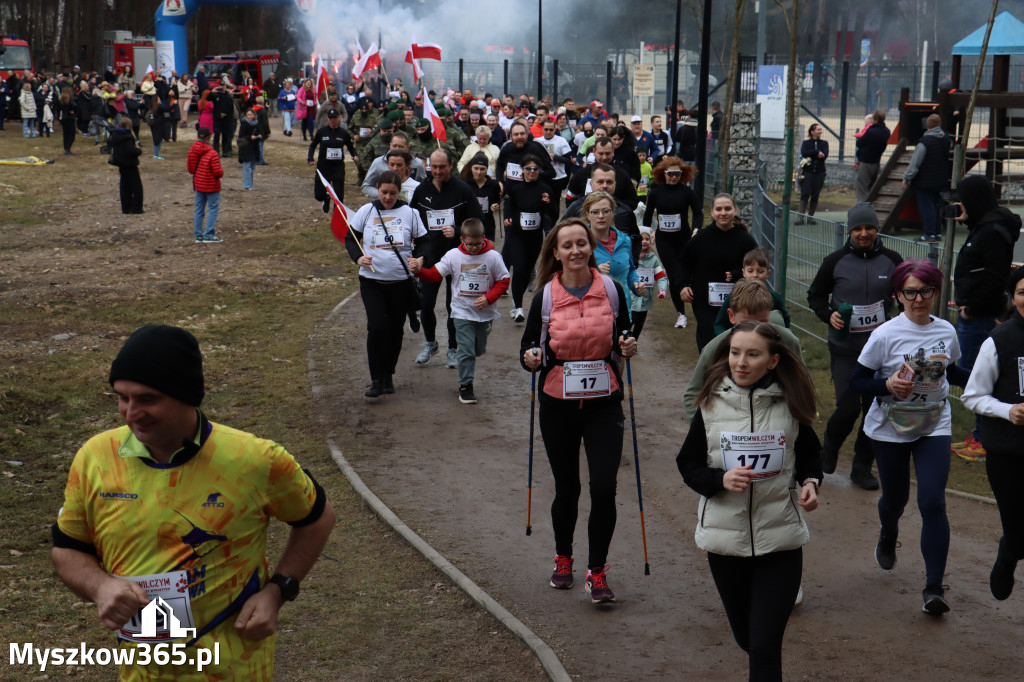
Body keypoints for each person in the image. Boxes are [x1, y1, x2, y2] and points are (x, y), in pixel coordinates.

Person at [51, 325, 336, 680]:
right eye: (122, 397)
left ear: (186, 395)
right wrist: (101, 586)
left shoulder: (255, 460)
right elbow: (67, 549)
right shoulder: (95, 458)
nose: (130, 412)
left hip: (235, 668)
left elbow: (317, 517)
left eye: (148, 399)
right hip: (142, 673)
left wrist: (279, 591)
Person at [677, 320, 822, 681]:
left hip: (781, 540)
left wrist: (811, 482)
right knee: (748, 638)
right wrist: (719, 479)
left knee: (764, 647)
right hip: (726, 543)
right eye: (734, 353)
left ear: (772, 362)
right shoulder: (710, 404)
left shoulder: (792, 403)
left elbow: (810, 455)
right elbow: (688, 464)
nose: (740, 362)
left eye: (752, 354)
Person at [520, 219, 637, 605]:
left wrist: (628, 345)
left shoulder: (612, 290)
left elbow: (623, 336)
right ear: (556, 252)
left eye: (582, 244)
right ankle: (564, 558)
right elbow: (529, 351)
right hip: (558, 404)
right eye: (567, 245)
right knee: (567, 487)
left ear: (592, 247)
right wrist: (532, 359)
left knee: (604, 486)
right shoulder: (546, 298)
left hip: (604, 403)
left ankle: (597, 571)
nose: (575, 251)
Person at [849, 259, 970, 615]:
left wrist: (992, 381)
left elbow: (953, 371)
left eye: (926, 292)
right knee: (896, 499)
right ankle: (888, 533)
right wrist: (886, 385)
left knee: (932, 501)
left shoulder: (946, 331)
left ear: (936, 292)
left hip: (934, 423)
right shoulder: (884, 335)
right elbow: (857, 381)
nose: (918, 299)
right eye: (911, 292)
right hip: (890, 428)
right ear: (898, 294)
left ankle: (934, 587)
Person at [807, 203, 903, 489]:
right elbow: (815, 296)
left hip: (882, 352)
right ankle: (829, 449)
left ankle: (862, 467)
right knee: (847, 407)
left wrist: (900, 319)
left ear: (876, 229)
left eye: (869, 228)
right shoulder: (835, 261)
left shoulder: (892, 260)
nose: (864, 233)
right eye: (858, 228)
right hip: (846, 349)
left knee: (876, 410)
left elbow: (905, 295)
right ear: (850, 230)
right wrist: (830, 315)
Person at [962, 265, 1024, 600]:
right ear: (1013, 298)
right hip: (1007, 452)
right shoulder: (999, 341)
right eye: (1023, 292)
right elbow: (972, 396)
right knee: (1016, 527)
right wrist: (1008, 410)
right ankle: (1007, 557)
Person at [950, 174, 1022, 459]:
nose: (959, 205)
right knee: (973, 372)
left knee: (977, 376)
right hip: (975, 310)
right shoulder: (984, 226)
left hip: (979, 315)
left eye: (963, 201)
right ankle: (978, 434)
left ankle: (983, 438)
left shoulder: (992, 231)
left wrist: (971, 308)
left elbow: (994, 276)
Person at [346, 171, 429, 397]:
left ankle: (388, 375)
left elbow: (424, 242)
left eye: (393, 193)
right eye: (384, 192)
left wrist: (420, 259)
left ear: (399, 192)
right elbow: (350, 237)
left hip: (400, 283)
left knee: (394, 330)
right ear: (377, 189)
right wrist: (358, 257)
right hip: (372, 281)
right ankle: (375, 379)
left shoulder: (410, 213)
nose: (388, 197)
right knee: (376, 327)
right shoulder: (367, 211)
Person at [409, 218, 510, 404]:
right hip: (461, 312)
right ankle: (466, 387)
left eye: (478, 244)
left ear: (483, 238)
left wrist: (489, 298)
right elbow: (433, 275)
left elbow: (504, 280)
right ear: (462, 239)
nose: (474, 248)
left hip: (485, 314)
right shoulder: (453, 255)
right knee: (465, 350)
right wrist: (418, 271)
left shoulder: (493, 257)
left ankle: (469, 363)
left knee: (477, 349)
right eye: (470, 244)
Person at [684, 279, 804, 420]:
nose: (754, 330)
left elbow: (802, 385)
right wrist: (704, 430)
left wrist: (796, 422)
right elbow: (693, 394)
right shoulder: (715, 348)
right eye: (746, 324)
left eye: (762, 322)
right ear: (731, 316)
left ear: (769, 314)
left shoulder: (787, 342)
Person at [409, 149, 484, 368]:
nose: (438, 171)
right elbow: (413, 220)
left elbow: (478, 222)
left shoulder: (463, 190)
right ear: (429, 166)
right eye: (434, 166)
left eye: (443, 166)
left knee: (454, 305)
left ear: (451, 165)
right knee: (427, 303)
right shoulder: (422, 190)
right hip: (430, 256)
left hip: (457, 256)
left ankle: (452, 348)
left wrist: (458, 230)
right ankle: (430, 343)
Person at [681, 193, 759, 351]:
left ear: (735, 211)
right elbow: (683, 263)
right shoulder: (700, 239)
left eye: (727, 208)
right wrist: (683, 285)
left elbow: (756, 268)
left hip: (738, 299)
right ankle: (708, 371)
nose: (723, 213)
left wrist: (738, 273)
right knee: (708, 336)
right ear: (712, 213)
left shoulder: (746, 240)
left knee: (732, 337)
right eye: (719, 209)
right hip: (704, 299)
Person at [641, 157, 700, 329]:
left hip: (684, 238)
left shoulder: (687, 192)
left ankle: (694, 303)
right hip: (664, 240)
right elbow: (647, 214)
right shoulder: (656, 193)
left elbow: (698, 213)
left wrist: (696, 229)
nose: (674, 177)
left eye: (677, 174)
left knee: (686, 273)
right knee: (674, 276)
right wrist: (647, 232)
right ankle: (681, 314)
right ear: (663, 174)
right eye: (670, 174)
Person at [503, 155, 554, 322]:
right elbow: (509, 206)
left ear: (539, 171)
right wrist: (508, 218)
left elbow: (553, 215)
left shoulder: (545, 189)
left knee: (526, 271)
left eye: (535, 169)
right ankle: (518, 307)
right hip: (517, 235)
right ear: (522, 170)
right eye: (528, 169)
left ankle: (518, 298)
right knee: (518, 269)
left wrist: (547, 203)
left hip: (534, 237)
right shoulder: (516, 189)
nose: (532, 172)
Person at [583, 191, 641, 316]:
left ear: (612, 212)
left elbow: (630, 270)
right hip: (592, 314)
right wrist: (594, 271)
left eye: (606, 211)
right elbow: (568, 276)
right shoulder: (580, 242)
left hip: (622, 311)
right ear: (588, 215)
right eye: (595, 212)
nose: (600, 216)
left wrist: (636, 285)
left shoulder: (625, 240)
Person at [713, 247, 790, 335]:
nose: (755, 275)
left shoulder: (775, 298)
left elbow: (785, 319)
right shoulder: (734, 297)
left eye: (760, 271)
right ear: (743, 272)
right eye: (750, 271)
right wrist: (726, 339)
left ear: (768, 273)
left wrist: (781, 336)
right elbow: (719, 324)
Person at [902, 114, 951, 242]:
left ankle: (929, 233)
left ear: (927, 126)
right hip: (940, 179)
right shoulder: (946, 139)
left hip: (925, 181)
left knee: (926, 207)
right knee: (936, 206)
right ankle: (937, 232)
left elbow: (915, 163)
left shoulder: (924, 142)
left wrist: (907, 177)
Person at [308, 108, 358, 209]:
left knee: (339, 198)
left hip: (337, 168)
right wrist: (310, 158)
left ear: (339, 118)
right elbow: (313, 145)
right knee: (318, 195)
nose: (333, 121)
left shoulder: (343, 133)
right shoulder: (322, 132)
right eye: (331, 118)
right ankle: (326, 198)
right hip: (323, 167)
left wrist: (355, 155)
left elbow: (351, 148)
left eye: (335, 118)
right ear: (328, 119)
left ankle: (337, 220)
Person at [362, 131, 427, 199]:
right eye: (394, 146)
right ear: (390, 145)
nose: (397, 149)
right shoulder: (378, 163)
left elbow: (424, 185)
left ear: (408, 147)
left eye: (401, 146)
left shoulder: (417, 163)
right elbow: (366, 187)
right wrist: (384, 195)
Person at [187, 127, 225, 243]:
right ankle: (208, 234)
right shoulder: (212, 153)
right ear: (209, 137)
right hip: (212, 185)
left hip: (199, 184)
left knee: (199, 209)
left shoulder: (192, 151)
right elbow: (218, 172)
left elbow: (191, 169)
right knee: (213, 208)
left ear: (198, 136)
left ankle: (198, 235)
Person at [495, 121, 555, 194]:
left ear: (527, 134)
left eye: (522, 134)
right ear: (511, 136)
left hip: (531, 194)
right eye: (516, 134)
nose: (519, 137)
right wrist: (499, 181)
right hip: (511, 194)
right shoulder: (506, 149)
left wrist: (533, 174)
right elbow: (499, 165)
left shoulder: (536, 149)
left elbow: (551, 172)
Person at [630, 229, 668, 339]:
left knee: (639, 323)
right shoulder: (629, 257)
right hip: (630, 297)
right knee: (629, 321)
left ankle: (634, 341)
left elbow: (661, 277)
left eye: (647, 239)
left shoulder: (653, 259)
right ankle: (623, 341)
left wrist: (662, 290)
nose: (644, 241)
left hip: (645, 298)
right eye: (641, 238)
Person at [461, 154, 501, 241]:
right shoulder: (464, 184)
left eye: (482, 169)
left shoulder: (493, 185)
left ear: (487, 169)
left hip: (487, 225)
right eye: (476, 168)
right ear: (471, 168)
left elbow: (496, 199)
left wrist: (495, 205)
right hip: (469, 226)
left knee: (488, 252)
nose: (479, 172)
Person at [109, 118, 143, 214]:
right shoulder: (128, 137)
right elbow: (131, 151)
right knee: (136, 187)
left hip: (121, 164)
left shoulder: (116, 135)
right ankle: (136, 208)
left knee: (124, 186)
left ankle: (126, 208)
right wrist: (138, 151)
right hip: (130, 164)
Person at [855, 110, 890, 202]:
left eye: (872, 118)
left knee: (862, 187)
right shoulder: (886, 131)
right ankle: (870, 206)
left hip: (866, 161)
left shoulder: (871, 131)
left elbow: (860, 143)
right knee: (871, 186)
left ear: (876, 119)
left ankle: (862, 209)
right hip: (876, 161)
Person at [796, 123, 828, 224]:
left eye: (821, 130)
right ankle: (800, 217)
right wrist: (816, 152)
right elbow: (804, 153)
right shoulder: (806, 143)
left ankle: (810, 217)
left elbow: (825, 155)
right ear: (812, 131)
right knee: (805, 194)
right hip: (808, 172)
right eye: (818, 130)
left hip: (820, 172)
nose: (820, 132)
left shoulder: (824, 143)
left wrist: (816, 153)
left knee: (815, 194)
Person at [237, 108, 262, 190]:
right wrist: (249, 137)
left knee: (252, 166)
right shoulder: (244, 123)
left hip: (254, 147)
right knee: (247, 167)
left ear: (254, 115)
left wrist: (259, 136)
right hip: (246, 147)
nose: (250, 116)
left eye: (251, 115)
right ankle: (247, 185)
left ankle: (250, 184)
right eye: (248, 115)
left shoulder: (256, 124)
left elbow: (259, 133)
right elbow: (241, 136)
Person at [209, 84, 237, 158]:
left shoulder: (228, 96)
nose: (222, 87)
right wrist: (212, 92)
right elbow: (208, 98)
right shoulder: (215, 95)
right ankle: (216, 151)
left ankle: (226, 151)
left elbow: (231, 108)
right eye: (220, 86)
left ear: (225, 87)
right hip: (218, 118)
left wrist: (230, 118)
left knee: (226, 135)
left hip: (227, 119)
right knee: (217, 135)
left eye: (223, 86)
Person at [55, 87, 78, 155]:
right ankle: (68, 148)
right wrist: (73, 111)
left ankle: (66, 148)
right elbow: (75, 105)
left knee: (65, 134)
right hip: (70, 118)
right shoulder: (70, 100)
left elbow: (59, 109)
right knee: (72, 134)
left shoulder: (61, 100)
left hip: (63, 117)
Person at [146, 95, 169, 160]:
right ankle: (156, 155)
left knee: (157, 140)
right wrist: (174, 104)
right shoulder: (159, 108)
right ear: (156, 101)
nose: (160, 100)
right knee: (157, 141)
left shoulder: (152, 107)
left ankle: (156, 154)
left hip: (155, 126)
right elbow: (168, 108)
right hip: (157, 126)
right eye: (159, 99)